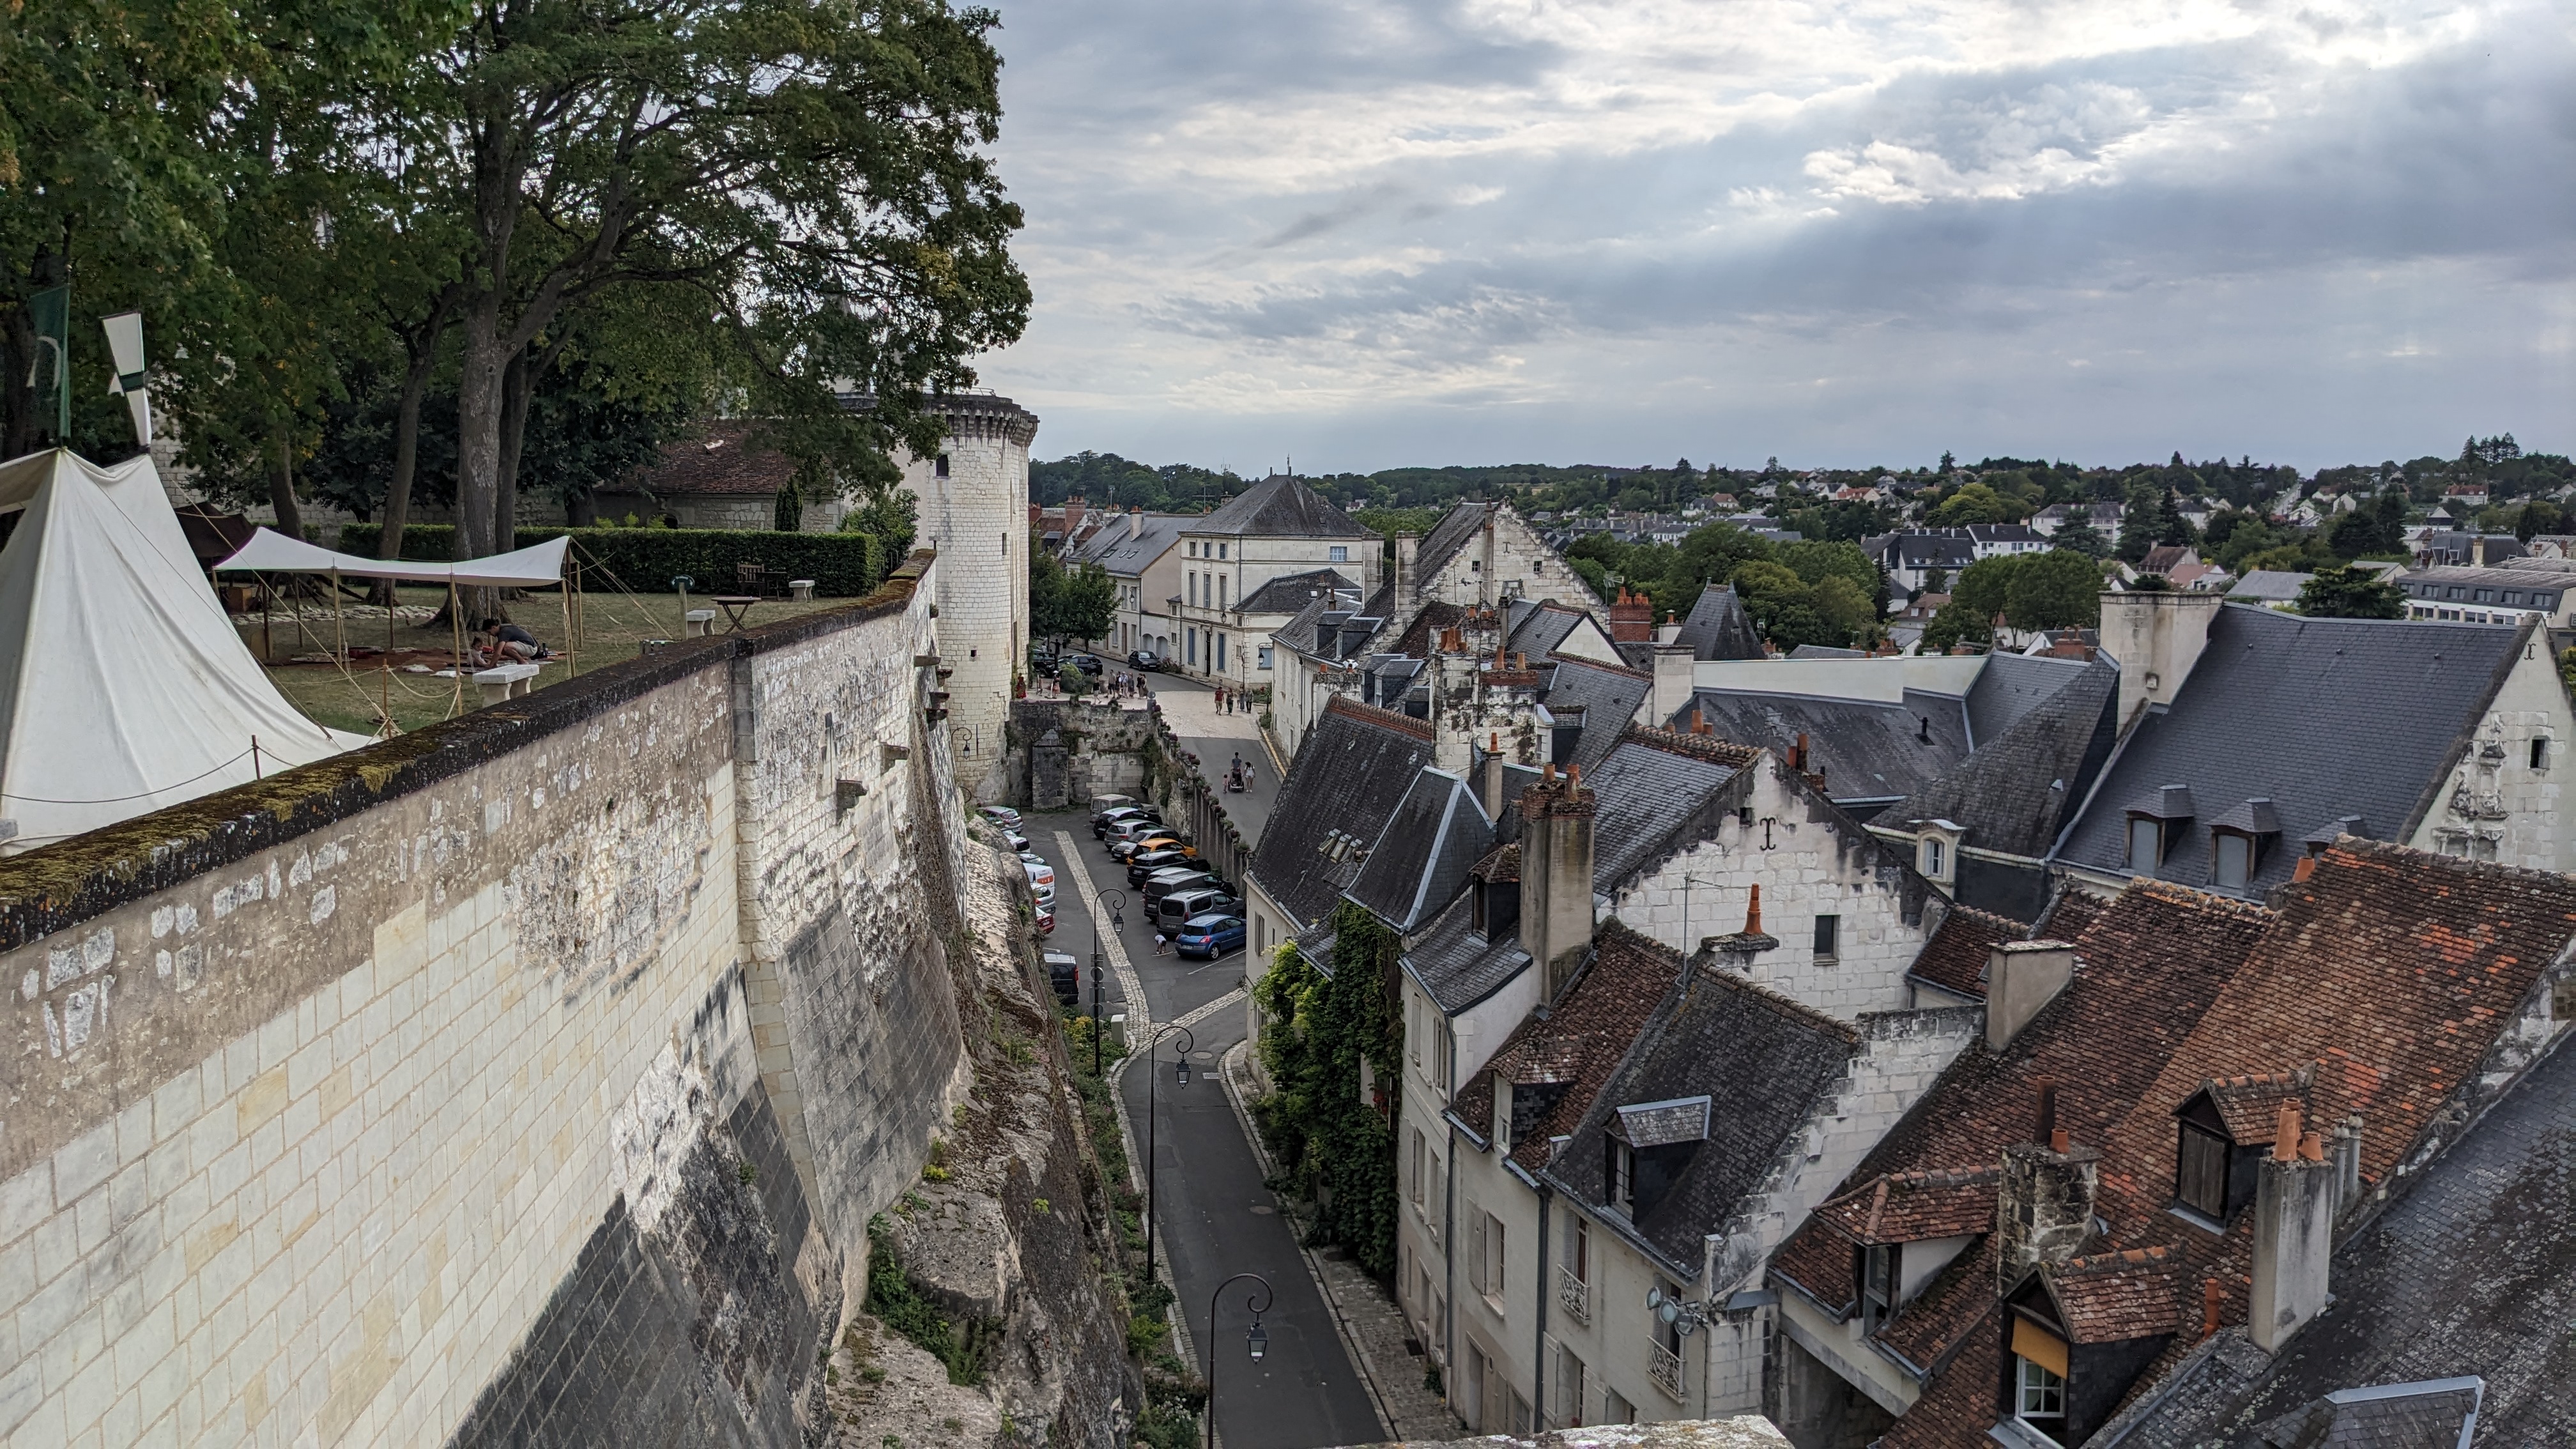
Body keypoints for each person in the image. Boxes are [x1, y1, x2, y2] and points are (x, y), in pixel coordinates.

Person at [477, 618, 551, 665]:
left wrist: (490, 665)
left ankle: (522, 662)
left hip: (531, 648)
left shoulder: (504, 631)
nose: (490, 635)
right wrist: (494, 664)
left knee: (504, 647)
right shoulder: (504, 628)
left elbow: (498, 653)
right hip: (527, 646)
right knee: (497, 646)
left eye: (490, 632)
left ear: (493, 627)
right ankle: (520, 660)